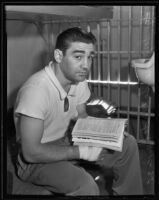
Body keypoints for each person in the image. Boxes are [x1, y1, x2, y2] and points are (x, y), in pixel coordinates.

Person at [14, 27, 143, 195]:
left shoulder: (78, 80)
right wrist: (80, 152)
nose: (86, 65)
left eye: (90, 57)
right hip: (34, 161)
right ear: (59, 56)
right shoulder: (36, 91)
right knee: (86, 186)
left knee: (127, 145)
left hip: (67, 139)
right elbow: (31, 153)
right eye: (78, 57)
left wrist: (109, 131)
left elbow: (82, 116)